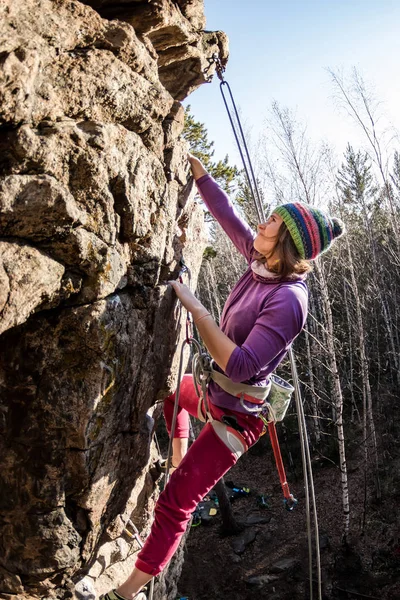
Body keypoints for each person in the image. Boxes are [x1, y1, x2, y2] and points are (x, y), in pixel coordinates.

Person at [100, 154, 345, 600]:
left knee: (177, 503)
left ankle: (126, 592)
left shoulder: (289, 299)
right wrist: (201, 176)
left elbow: (242, 365)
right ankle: (177, 463)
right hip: (215, 395)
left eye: (271, 221)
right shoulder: (261, 262)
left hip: (237, 419)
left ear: (287, 240)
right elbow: (229, 218)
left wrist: (197, 309)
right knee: (173, 396)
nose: (262, 224)